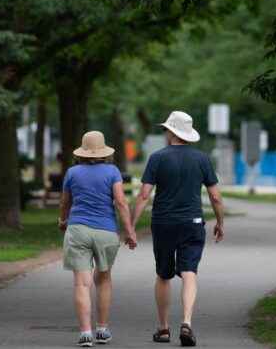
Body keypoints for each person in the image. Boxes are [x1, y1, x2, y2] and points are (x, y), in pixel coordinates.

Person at [131, 111, 225, 347]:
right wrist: (220, 222)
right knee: (189, 272)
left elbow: (144, 194)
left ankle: (163, 329)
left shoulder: (157, 158)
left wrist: (131, 226)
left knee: (163, 275)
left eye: (166, 130)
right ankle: (187, 322)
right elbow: (215, 196)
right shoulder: (202, 159)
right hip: (193, 222)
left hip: (163, 223)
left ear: (171, 132)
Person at [58, 131, 138, 347]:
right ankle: (102, 330)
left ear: (82, 152)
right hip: (106, 232)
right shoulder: (112, 171)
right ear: (104, 152)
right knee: (103, 280)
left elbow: (65, 202)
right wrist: (129, 231)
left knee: (81, 284)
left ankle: (85, 334)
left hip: (78, 230)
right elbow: (121, 203)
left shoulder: (72, 172)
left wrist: (63, 220)